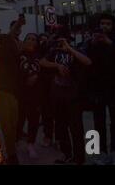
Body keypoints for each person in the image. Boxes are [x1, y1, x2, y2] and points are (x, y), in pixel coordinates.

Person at [85, 13, 115, 164]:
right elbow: (85, 60)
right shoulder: (92, 41)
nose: (105, 26)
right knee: (98, 121)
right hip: (97, 87)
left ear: (113, 26)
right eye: (102, 23)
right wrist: (92, 43)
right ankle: (99, 151)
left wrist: (110, 43)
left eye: (108, 24)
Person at [41, 33, 92, 165]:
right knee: (61, 127)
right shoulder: (53, 52)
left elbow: (87, 62)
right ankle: (66, 154)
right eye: (60, 41)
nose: (61, 44)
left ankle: (79, 158)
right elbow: (42, 61)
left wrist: (69, 48)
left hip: (73, 97)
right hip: (57, 95)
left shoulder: (76, 51)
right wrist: (57, 66)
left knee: (76, 129)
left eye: (65, 41)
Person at [0, 17, 24, 164]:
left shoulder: (5, 39)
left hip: (12, 89)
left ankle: (7, 151)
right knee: (3, 125)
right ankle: (9, 155)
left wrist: (18, 23)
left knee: (12, 123)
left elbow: (12, 33)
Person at [16, 33, 41, 159]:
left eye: (34, 39)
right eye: (29, 39)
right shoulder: (18, 55)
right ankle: (15, 142)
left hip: (35, 95)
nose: (31, 41)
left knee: (33, 120)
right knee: (18, 120)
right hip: (20, 94)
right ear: (24, 41)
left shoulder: (39, 56)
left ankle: (30, 144)